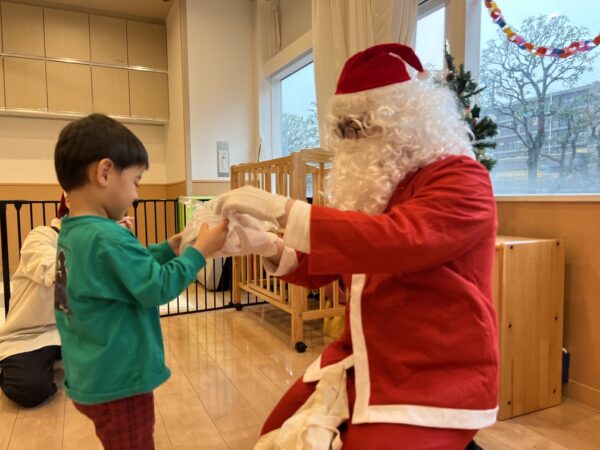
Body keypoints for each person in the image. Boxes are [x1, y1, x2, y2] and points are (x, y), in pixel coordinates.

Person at [215, 43, 498, 449]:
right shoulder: (374, 192)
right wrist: (266, 245)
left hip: (433, 373)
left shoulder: (462, 179)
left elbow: (395, 240)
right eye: (344, 130)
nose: (352, 141)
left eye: (362, 126)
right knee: (276, 434)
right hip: (360, 356)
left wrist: (284, 211)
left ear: (409, 120)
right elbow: (336, 260)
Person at [53, 113, 228, 449]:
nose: (136, 195)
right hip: (120, 383)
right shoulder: (108, 236)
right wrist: (199, 252)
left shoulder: (72, 232)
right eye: (135, 181)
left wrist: (167, 249)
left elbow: (122, 271)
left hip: (90, 376)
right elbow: (157, 286)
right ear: (104, 173)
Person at [0, 194, 69, 408]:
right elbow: (55, 271)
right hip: (29, 334)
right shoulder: (41, 236)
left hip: (69, 331)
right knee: (30, 388)